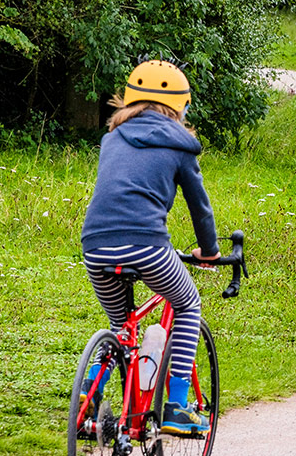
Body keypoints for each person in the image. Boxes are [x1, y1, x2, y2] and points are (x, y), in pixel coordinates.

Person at [80, 56, 220, 434]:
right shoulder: (181, 146)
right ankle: (175, 405)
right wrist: (209, 251)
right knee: (188, 303)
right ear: (181, 105)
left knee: (120, 325)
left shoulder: (112, 138)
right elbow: (199, 208)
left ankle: (87, 398)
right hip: (147, 245)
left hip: (95, 245)